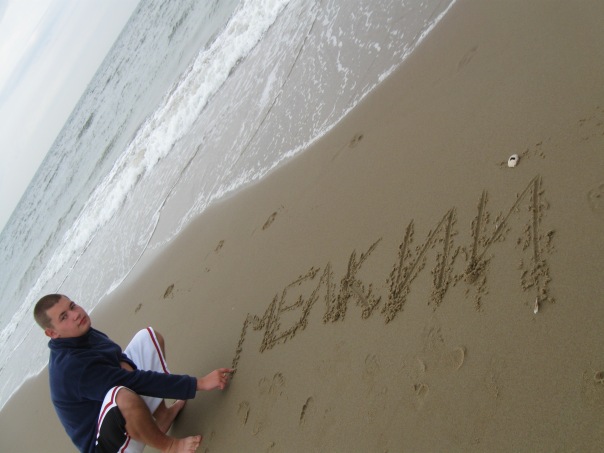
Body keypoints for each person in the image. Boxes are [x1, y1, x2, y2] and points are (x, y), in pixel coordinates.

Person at [33, 293, 233, 453]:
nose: (75, 314)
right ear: (52, 333)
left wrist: (127, 370)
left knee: (147, 339)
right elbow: (134, 382)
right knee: (121, 395)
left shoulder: (81, 332)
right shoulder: (72, 367)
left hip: (116, 416)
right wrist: (199, 383)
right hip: (105, 446)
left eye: (72, 306)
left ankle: (162, 417)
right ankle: (170, 446)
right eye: (64, 317)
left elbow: (118, 357)